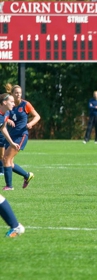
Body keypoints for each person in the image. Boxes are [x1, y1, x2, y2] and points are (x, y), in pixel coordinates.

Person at [2, 84, 40, 190]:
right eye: (16, 93)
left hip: (21, 135)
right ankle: (27, 175)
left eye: (20, 93)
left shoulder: (25, 104)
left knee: (6, 158)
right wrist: (8, 120)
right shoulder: (10, 105)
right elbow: (5, 116)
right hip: (11, 135)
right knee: (9, 162)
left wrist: (31, 123)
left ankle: (9, 186)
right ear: (12, 94)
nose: (18, 95)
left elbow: (37, 116)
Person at [0, 93, 25, 237]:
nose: (13, 103)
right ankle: (15, 226)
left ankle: (15, 226)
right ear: (3, 102)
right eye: (11, 101)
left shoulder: (4, 113)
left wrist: (11, 142)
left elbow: (2, 127)